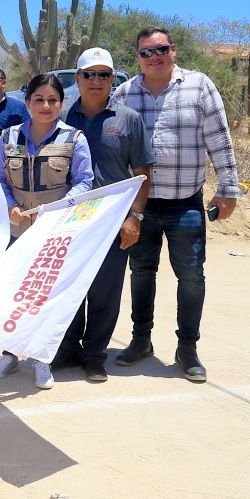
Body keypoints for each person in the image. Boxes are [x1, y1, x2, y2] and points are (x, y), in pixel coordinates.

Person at [110, 27, 241, 382]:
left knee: (191, 276)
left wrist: (228, 187)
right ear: (137, 57)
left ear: (174, 50)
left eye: (161, 50)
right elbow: (114, 148)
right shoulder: (123, 94)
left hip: (185, 203)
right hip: (140, 207)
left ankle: (187, 348)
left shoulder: (199, 86)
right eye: (146, 53)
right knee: (141, 273)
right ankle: (141, 340)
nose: (155, 58)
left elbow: (219, 138)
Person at [0, 73, 93, 389]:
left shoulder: (74, 138)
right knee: (14, 294)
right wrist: (10, 205)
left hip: (54, 235)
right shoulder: (8, 138)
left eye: (52, 100)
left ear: (61, 103)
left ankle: (41, 359)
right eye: (39, 99)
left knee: (45, 296)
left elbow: (84, 182)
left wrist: (60, 209)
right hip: (16, 232)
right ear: (28, 102)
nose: (46, 106)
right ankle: (9, 353)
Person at [56, 47, 155, 382]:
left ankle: (94, 355)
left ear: (112, 79)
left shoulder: (128, 119)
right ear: (78, 79)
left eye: (103, 74)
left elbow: (142, 171)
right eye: (89, 74)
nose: (95, 81)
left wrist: (135, 218)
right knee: (68, 287)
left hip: (113, 221)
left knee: (105, 291)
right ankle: (67, 350)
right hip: (71, 220)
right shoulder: (62, 117)